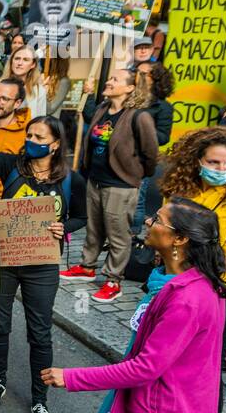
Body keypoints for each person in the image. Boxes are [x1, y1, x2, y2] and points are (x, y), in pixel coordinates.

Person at [43, 199, 226, 413]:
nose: (148, 221)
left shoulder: (187, 299)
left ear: (179, 240)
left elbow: (146, 367)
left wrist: (72, 378)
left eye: (158, 219)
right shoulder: (189, 285)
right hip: (158, 407)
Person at [0, 116, 85, 413]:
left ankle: (40, 400)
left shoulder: (71, 181)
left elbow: (81, 217)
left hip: (42, 265)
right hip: (4, 260)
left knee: (39, 332)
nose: (30, 139)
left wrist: (64, 227)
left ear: (54, 144)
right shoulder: (12, 165)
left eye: (39, 136)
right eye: (29, 133)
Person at [158, 127, 226, 382]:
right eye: (213, 162)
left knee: (202, 376)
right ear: (198, 161)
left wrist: (189, 274)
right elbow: (163, 232)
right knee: (165, 366)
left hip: (221, 294)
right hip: (174, 286)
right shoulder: (182, 189)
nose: (221, 168)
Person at [60, 68, 158, 303]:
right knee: (93, 228)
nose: (109, 81)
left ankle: (113, 280)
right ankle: (87, 267)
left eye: (115, 79)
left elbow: (150, 152)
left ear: (130, 88)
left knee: (118, 235)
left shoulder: (138, 116)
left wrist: (136, 175)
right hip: (96, 180)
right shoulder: (103, 109)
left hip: (121, 184)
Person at [0, 45, 46, 117]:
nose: (19, 63)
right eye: (17, 58)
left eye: (26, 60)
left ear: (33, 64)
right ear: (11, 61)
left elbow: (40, 122)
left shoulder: (39, 91)